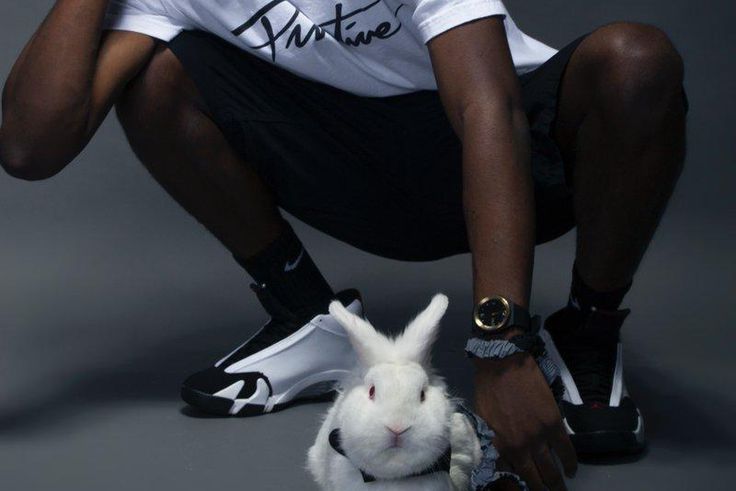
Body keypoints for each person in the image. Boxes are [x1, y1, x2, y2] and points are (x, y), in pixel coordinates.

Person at [0, 1, 687, 489]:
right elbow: (30, 144)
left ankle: (587, 332)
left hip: (510, 165)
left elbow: (489, 108)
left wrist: (501, 347)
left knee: (636, 62)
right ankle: (307, 313)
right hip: (352, 173)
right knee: (152, 77)